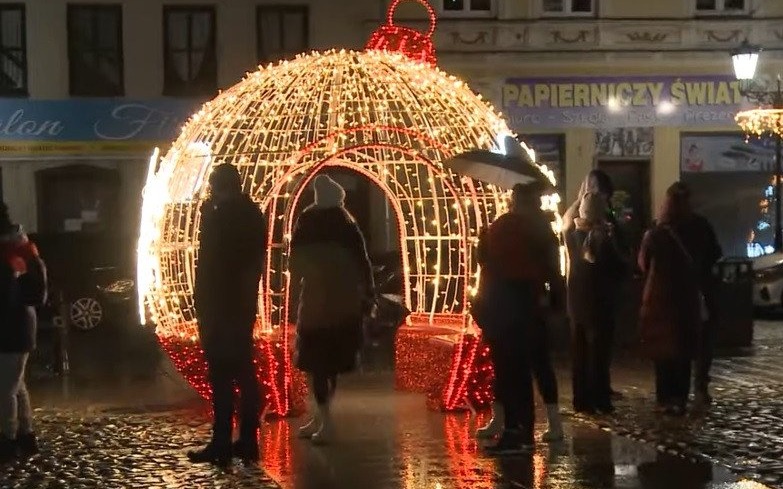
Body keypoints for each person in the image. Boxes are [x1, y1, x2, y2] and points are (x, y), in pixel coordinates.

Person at [189, 164, 266, 467]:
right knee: (243, 373)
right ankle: (246, 440)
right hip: (239, 305)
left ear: (218, 186)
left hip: (222, 307)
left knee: (223, 374)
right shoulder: (251, 214)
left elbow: (213, 263)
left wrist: (208, 218)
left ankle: (223, 441)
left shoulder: (223, 216)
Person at [474, 183, 560, 454]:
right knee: (530, 366)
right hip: (528, 302)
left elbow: (483, 260)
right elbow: (553, 271)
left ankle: (515, 431)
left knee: (509, 369)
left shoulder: (500, 225)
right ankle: (522, 430)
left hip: (499, 303)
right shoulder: (541, 229)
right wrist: (555, 302)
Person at [290, 174, 375, 445]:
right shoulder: (346, 224)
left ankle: (323, 417)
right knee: (331, 361)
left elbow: (295, 264)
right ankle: (323, 417)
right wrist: (367, 293)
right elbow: (363, 262)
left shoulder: (307, 222)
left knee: (316, 363)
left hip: (317, 301)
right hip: (343, 301)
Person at [638, 182, 721, 415]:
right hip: (687, 298)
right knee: (684, 350)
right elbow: (715, 253)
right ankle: (681, 398)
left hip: (659, 300)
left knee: (662, 352)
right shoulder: (701, 226)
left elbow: (643, 263)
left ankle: (664, 398)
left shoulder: (656, 232)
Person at [563, 169, 628, 399]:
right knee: (598, 348)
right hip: (599, 301)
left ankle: (581, 396)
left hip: (576, 298)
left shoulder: (570, 229)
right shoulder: (601, 236)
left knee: (580, 348)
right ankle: (598, 395)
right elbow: (618, 266)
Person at [0, 203, 47, 460]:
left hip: (10, 329)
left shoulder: (10, 256)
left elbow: (8, 296)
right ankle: (26, 436)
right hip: (19, 327)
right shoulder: (23, 251)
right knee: (16, 385)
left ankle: (7, 439)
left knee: (4, 389)